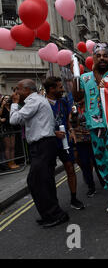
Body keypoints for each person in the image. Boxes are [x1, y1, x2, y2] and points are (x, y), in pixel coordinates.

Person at [72, 42, 108, 213]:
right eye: (99, 55)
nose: (103, 58)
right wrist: (75, 74)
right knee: (102, 162)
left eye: (106, 55)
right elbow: (77, 96)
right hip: (94, 127)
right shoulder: (85, 78)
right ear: (93, 58)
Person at [10, 79, 69, 228]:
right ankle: (49, 214)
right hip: (42, 145)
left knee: (37, 181)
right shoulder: (38, 100)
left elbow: (14, 119)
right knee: (43, 181)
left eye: (18, 89)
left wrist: (14, 103)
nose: (16, 93)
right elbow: (34, 122)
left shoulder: (33, 100)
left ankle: (55, 214)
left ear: (27, 90)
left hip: (42, 146)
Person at [44, 77, 85, 210]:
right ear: (51, 89)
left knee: (70, 168)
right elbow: (39, 125)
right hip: (49, 142)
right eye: (60, 87)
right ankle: (53, 203)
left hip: (64, 141)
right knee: (49, 174)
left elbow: (66, 120)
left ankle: (74, 199)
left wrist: (71, 131)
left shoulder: (63, 102)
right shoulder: (42, 103)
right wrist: (54, 132)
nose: (62, 90)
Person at [0, 95, 20, 170]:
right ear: (2, 100)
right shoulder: (2, 107)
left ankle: (13, 162)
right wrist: (2, 105)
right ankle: (9, 163)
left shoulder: (12, 108)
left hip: (12, 128)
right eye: (5, 99)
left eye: (8, 99)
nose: (7, 100)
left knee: (13, 146)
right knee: (8, 147)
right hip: (6, 129)